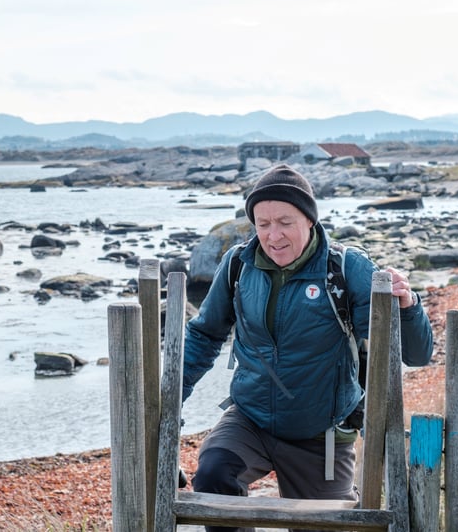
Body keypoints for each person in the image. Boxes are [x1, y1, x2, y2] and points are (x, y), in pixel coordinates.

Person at [181, 164, 434, 532]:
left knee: (324, 526)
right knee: (214, 475)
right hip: (250, 420)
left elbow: (415, 354)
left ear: (310, 220)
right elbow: (204, 336)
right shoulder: (238, 265)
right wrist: (169, 398)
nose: (273, 235)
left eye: (285, 221)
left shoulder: (345, 269)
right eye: (263, 224)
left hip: (322, 435)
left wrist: (408, 304)